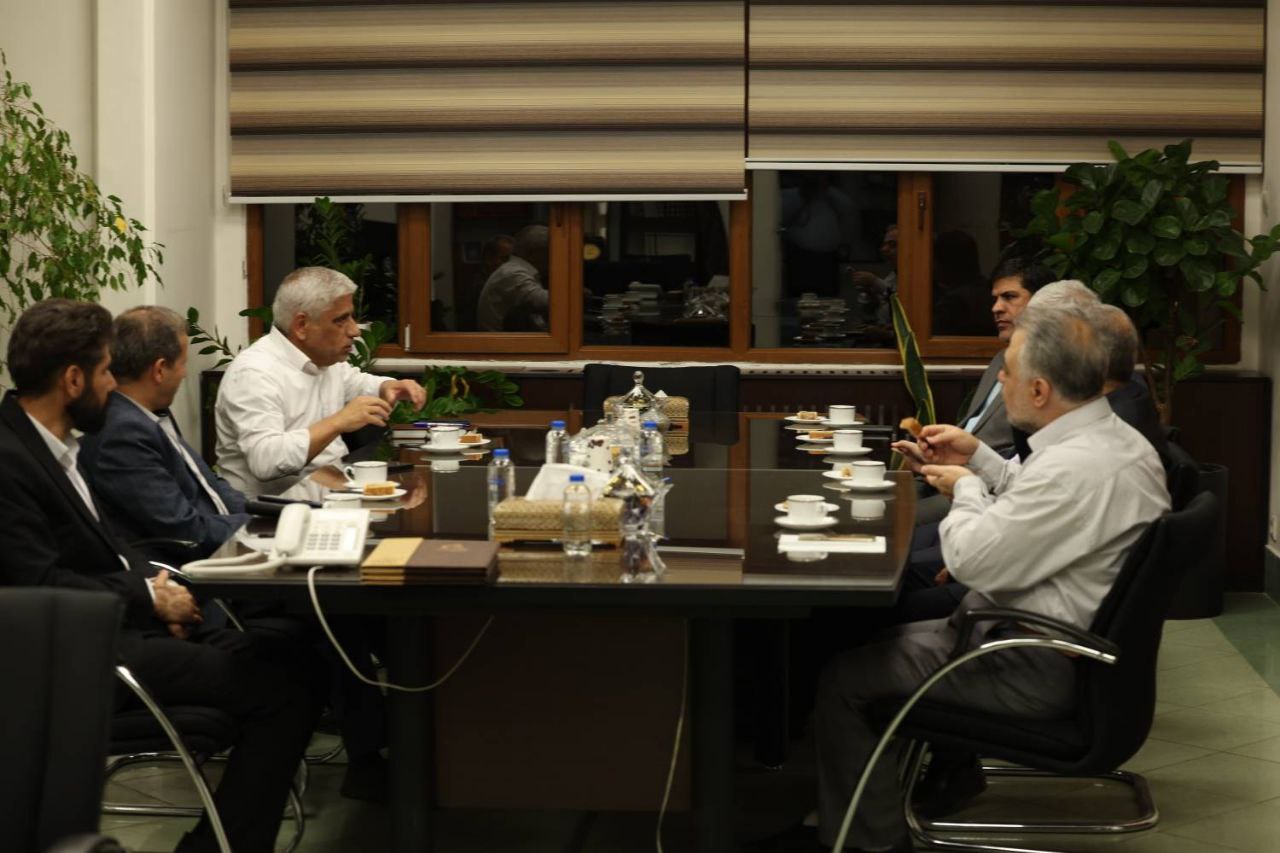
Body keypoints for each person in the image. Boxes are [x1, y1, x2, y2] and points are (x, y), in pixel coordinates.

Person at [805, 301, 1170, 852]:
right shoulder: (1109, 442)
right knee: (861, 639)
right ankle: (861, 810)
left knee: (844, 680)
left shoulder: (1074, 467)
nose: (1000, 379)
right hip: (1046, 644)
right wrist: (978, 458)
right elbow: (1038, 499)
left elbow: (971, 558)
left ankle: (867, 844)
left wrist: (968, 489)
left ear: (1040, 390)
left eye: (1009, 372)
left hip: (1027, 662)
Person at [0, 299, 325, 853]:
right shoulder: (10, 462)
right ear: (73, 380)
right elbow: (39, 586)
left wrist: (160, 590)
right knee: (284, 693)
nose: (113, 385)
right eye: (106, 372)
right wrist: (149, 598)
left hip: (126, 624)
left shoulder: (58, 447)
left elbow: (110, 548)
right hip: (86, 654)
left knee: (304, 660)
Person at [215, 267, 426, 496]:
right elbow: (266, 461)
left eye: (352, 317)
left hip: (333, 494)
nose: (355, 330)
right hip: (274, 511)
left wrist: (386, 386)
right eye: (341, 320)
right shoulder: (254, 373)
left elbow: (356, 382)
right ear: (301, 325)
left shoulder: (324, 358)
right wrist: (338, 422)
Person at [81, 306, 248, 560]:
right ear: (159, 369)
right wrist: (261, 530)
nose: (184, 373)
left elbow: (210, 487)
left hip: (220, 546)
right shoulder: (122, 433)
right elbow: (186, 530)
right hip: (187, 570)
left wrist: (278, 517)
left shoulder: (150, 413)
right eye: (183, 364)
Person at [476, 225, 550, 331]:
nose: (553, 257)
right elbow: (541, 300)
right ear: (532, 254)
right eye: (549, 252)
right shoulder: (513, 273)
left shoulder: (522, 271)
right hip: (503, 341)